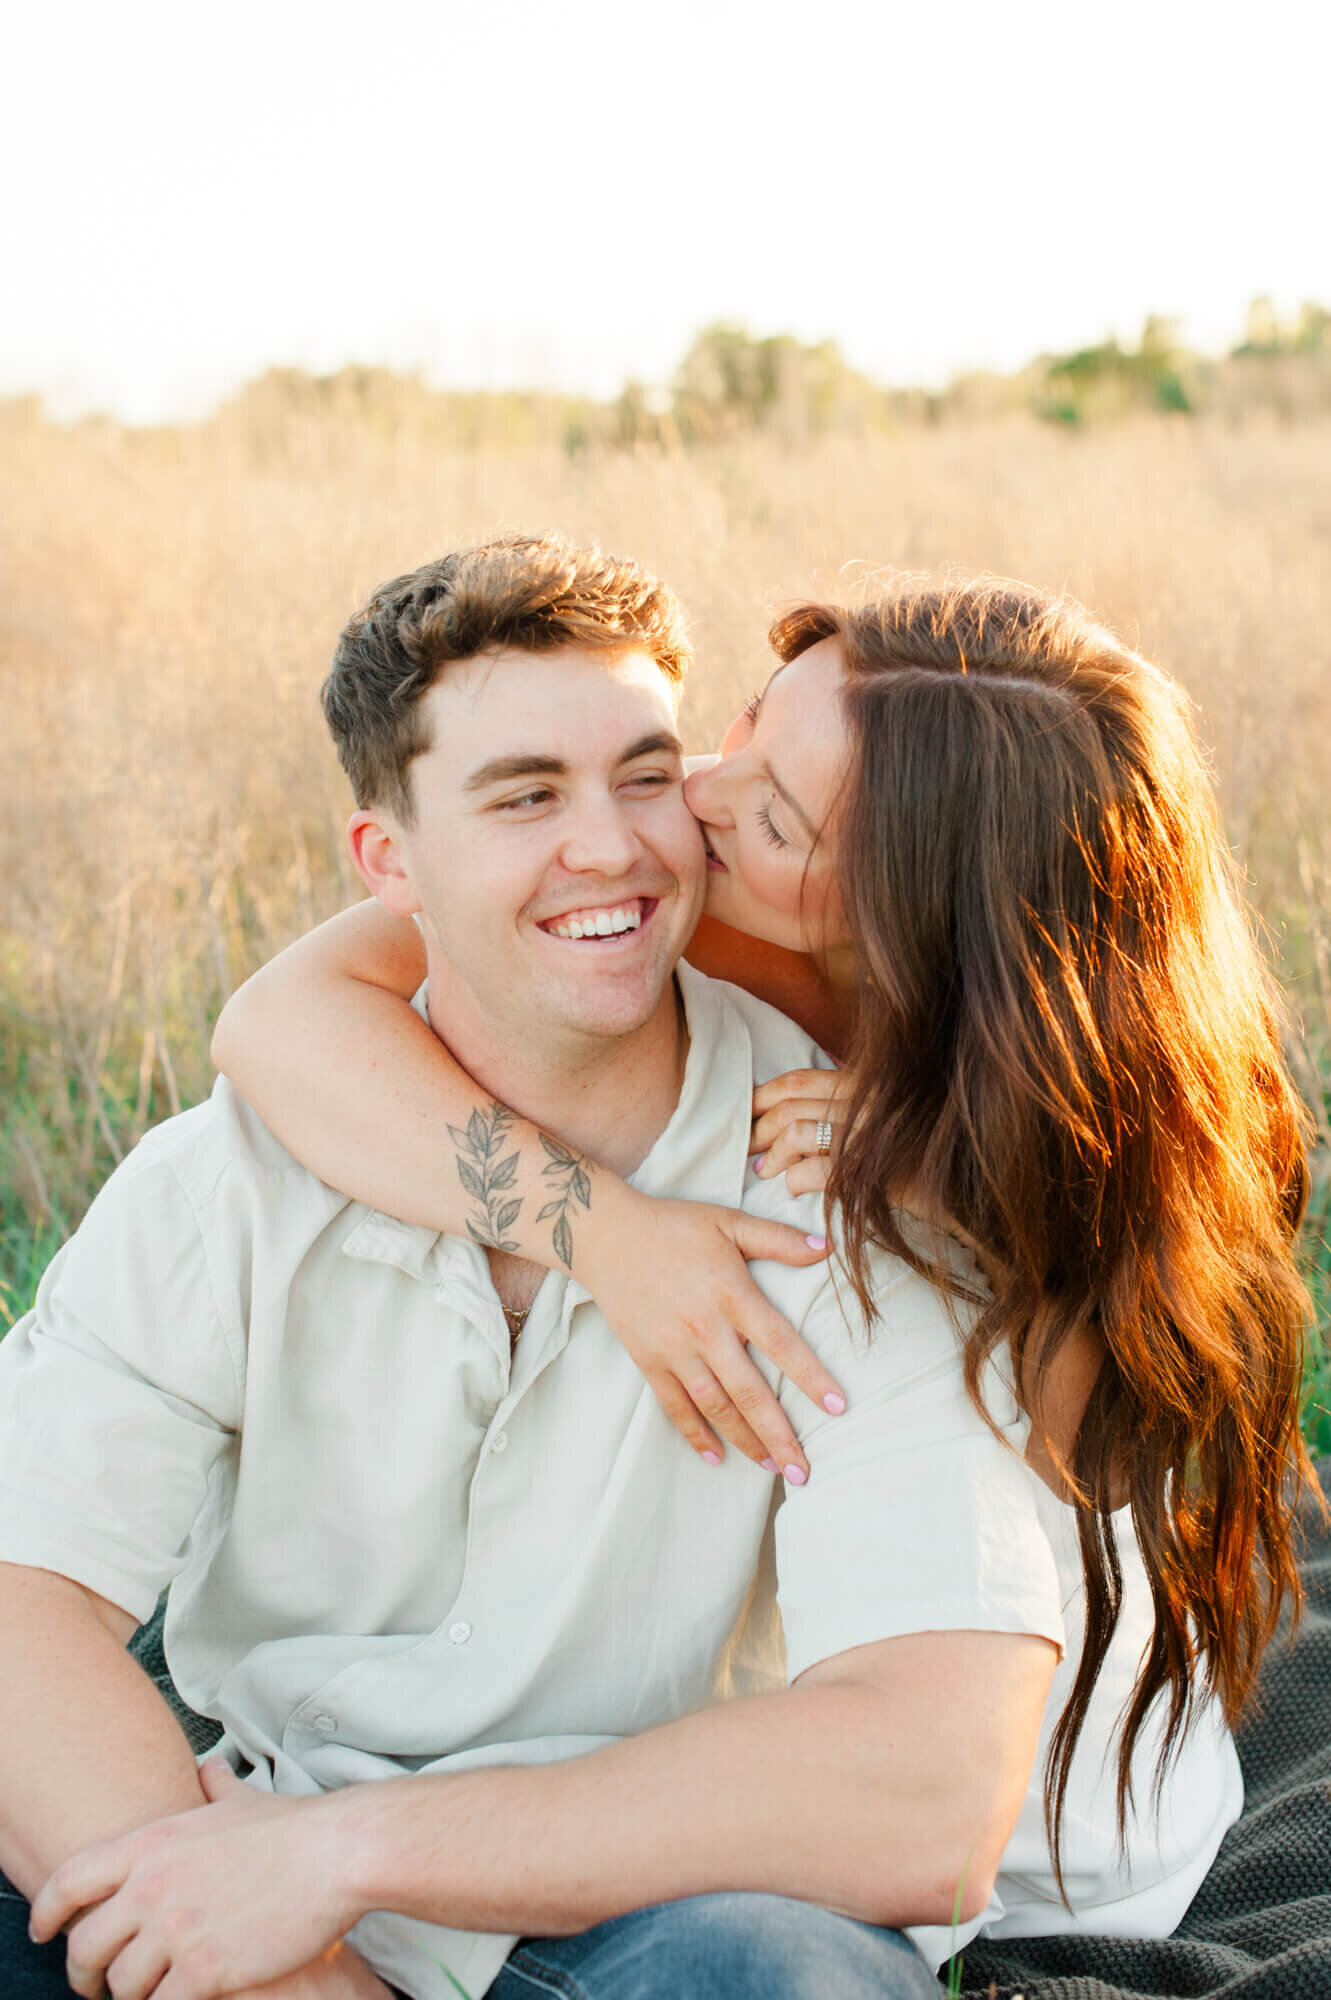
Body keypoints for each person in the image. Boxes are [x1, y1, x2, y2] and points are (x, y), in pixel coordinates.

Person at [199, 546, 1313, 1962]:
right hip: (750, 1722)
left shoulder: (1086, 1155)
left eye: (774, 815)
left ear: (921, 913)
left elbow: (995, 1524)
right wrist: (608, 1234)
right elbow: (282, 1022)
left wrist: (943, 1166)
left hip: (1010, 1820)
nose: (695, 801)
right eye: (741, 730)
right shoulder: (720, 909)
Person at [0, 535, 1073, 2000]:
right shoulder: (229, 1179)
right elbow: (18, 1590)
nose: (617, 844)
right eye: (524, 797)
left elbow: (930, 1797)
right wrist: (271, 1954)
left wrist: (352, 1855)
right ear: (390, 864)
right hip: (255, 1852)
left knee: (770, 1974)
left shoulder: (852, 1185)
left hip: (656, 1885)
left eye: (646, 772)